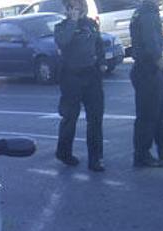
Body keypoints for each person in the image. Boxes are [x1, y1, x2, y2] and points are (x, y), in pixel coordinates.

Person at [129, 0, 163, 168]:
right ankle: (142, 155)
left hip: (147, 69)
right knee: (149, 115)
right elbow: (152, 43)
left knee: (159, 114)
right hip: (149, 70)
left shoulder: (143, 11)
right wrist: (162, 65)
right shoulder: (148, 13)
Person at [54, 0, 106, 172]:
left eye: (80, 6)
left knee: (95, 118)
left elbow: (99, 45)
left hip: (91, 76)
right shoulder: (61, 27)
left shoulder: (91, 25)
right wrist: (73, 21)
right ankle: (64, 152)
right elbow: (63, 41)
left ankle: (96, 158)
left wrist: (102, 62)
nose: (78, 9)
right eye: (73, 7)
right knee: (70, 117)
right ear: (67, 9)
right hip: (71, 78)